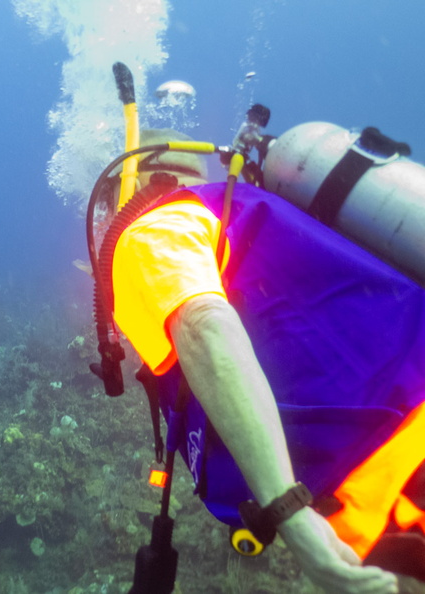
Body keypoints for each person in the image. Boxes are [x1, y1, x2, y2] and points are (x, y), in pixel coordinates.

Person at [99, 128, 425, 592]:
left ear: (123, 192)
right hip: (388, 469)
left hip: (397, 456)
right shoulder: (237, 213)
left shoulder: (149, 232)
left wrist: (286, 510)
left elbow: (203, 325)